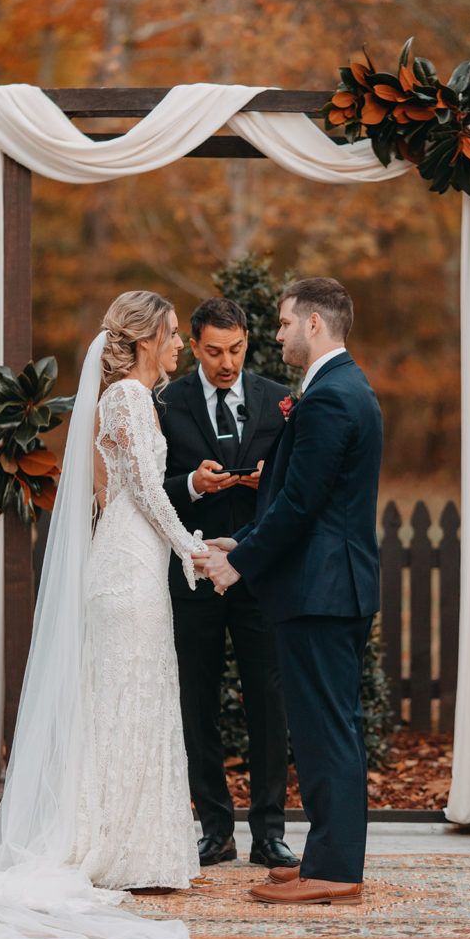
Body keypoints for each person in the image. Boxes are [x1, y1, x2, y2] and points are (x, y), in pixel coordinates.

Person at [0, 291, 207, 939]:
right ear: (143, 340)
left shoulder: (126, 400)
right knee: (127, 702)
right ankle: (118, 847)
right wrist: (192, 549)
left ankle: (136, 844)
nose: (179, 344)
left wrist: (179, 546)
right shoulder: (129, 400)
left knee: (132, 700)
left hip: (128, 561)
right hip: (128, 569)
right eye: (171, 334)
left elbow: (125, 489)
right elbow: (142, 489)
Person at [195, 277, 382, 907]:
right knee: (327, 726)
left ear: (314, 325)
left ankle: (333, 870)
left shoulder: (332, 395)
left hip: (323, 590)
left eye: (281, 324)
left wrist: (240, 562)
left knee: (327, 729)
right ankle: (330, 855)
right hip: (324, 585)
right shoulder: (335, 387)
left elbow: (303, 504)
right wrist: (239, 540)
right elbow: (301, 498)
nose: (274, 336)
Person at [158, 297, 298, 871]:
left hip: (259, 574)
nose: (227, 363)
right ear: (194, 346)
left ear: (247, 341)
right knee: (198, 701)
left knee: (269, 701)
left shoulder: (277, 400)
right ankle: (214, 830)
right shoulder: (166, 402)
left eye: (236, 350)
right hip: (192, 574)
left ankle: (270, 833)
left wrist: (268, 484)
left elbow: (298, 485)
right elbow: (144, 488)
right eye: (214, 351)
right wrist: (191, 484)